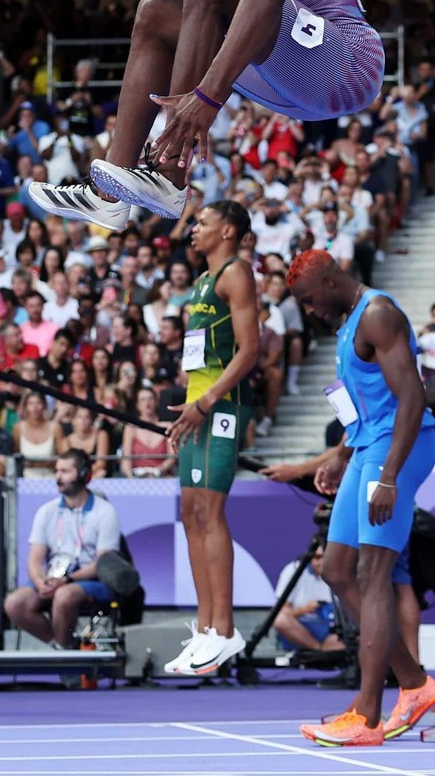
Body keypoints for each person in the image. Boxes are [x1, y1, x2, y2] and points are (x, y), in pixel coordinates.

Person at [28, 0, 384, 229]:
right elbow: (234, 36)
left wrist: (207, 97)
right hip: (293, 85)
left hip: (349, 63)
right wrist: (204, 94)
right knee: (153, 12)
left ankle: (169, 174)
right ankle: (107, 195)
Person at [286, 249, 435, 748]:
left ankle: (368, 715)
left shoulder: (377, 313)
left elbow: (413, 399)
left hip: (398, 449)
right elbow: (367, 408)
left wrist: (390, 476)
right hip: (369, 447)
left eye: (309, 300)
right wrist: (340, 454)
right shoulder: (349, 321)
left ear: (331, 279)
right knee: (335, 569)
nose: (309, 310)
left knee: (372, 576)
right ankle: (415, 685)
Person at [161, 200, 259, 675]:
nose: (192, 228)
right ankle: (203, 629)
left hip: (222, 407)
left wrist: (206, 403)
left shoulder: (236, 273)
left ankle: (224, 628)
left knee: (210, 510)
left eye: (202, 222)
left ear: (227, 231)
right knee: (189, 510)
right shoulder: (201, 281)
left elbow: (251, 350)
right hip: (198, 405)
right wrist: (187, 407)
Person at [3, 450, 128, 649]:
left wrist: (66, 580)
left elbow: (103, 564)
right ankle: (63, 647)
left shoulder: (104, 511)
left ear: (83, 475)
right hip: (56, 578)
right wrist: (41, 582)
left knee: (64, 595)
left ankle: (66, 656)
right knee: (14, 603)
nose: (58, 477)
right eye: (57, 471)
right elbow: (35, 559)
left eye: (65, 471)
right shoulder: (47, 511)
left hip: (92, 581)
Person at [273, 545, 344, 654]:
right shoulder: (293, 570)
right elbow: (280, 611)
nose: (321, 561)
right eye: (317, 557)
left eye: (325, 557)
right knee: (280, 620)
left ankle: (326, 650)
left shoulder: (342, 571)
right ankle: (318, 650)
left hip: (329, 628)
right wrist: (303, 610)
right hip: (301, 626)